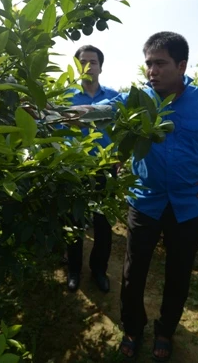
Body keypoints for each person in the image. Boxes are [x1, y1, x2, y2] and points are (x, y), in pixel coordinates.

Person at [84, 32, 198, 361]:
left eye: (160, 63)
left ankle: (165, 331)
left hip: (187, 205)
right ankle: (133, 328)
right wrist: (54, 111)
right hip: (144, 200)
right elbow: (98, 111)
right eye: (148, 64)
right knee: (133, 272)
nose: (151, 71)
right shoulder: (136, 100)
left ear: (181, 65)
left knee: (178, 272)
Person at [64, 45, 119, 293]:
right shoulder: (65, 97)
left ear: (100, 66)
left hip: (104, 168)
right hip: (75, 168)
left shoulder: (114, 97)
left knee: (103, 223)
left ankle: (99, 269)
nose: (88, 66)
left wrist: (119, 156)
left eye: (93, 62)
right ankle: (73, 269)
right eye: (83, 62)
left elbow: (121, 132)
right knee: (74, 221)